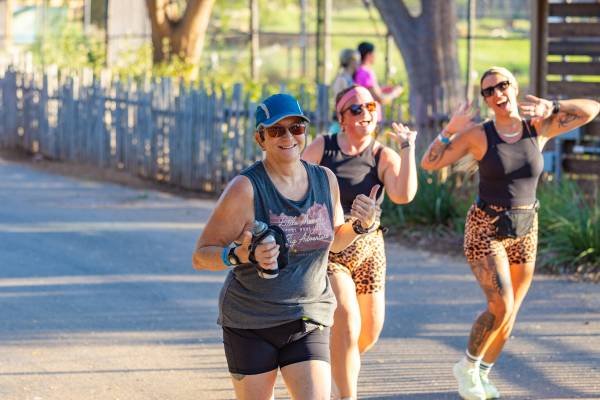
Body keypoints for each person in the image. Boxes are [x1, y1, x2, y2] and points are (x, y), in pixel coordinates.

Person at [421, 66, 600, 400]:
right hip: (485, 228)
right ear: (486, 100)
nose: (496, 94)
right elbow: (430, 163)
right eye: (488, 91)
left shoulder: (538, 126)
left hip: (526, 227)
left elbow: (592, 109)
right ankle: (467, 366)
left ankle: (483, 374)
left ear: (514, 87)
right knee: (500, 304)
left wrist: (554, 106)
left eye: (502, 85)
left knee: (511, 309)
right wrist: (449, 131)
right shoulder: (479, 135)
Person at [192, 93, 380, 400]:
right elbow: (201, 256)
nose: (288, 137)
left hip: (307, 315)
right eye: (276, 130)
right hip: (251, 322)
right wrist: (241, 254)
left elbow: (334, 240)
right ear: (260, 138)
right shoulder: (245, 188)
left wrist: (362, 225)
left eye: (296, 128)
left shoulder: (324, 180)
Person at [302, 85, 418, 400]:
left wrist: (407, 148)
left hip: (369, 250)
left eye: (370, 107)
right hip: (331, 247)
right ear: (341, 118)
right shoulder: (322, 148)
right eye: (356, 108)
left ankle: (332, 373)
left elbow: (403, 194)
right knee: (347, 319)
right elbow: (295, 182)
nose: (365, 113)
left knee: (366, 334)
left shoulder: (382, 155)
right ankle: (346, 395)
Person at [354, 42, 403, 106]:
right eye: (374, 53)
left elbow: (369, 92)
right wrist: (395, 92)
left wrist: (381, 89)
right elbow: (379, 99)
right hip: (370, 111)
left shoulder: (360, 70)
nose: (375, 56)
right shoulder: (365, 73)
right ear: (368, 55)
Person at [330, 49, 361, 134]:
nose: (359, 63)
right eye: (358, 60)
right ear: (352, 61)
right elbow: (339, 102)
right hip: (341, 123)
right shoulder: (342, 79)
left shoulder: (349, 78)